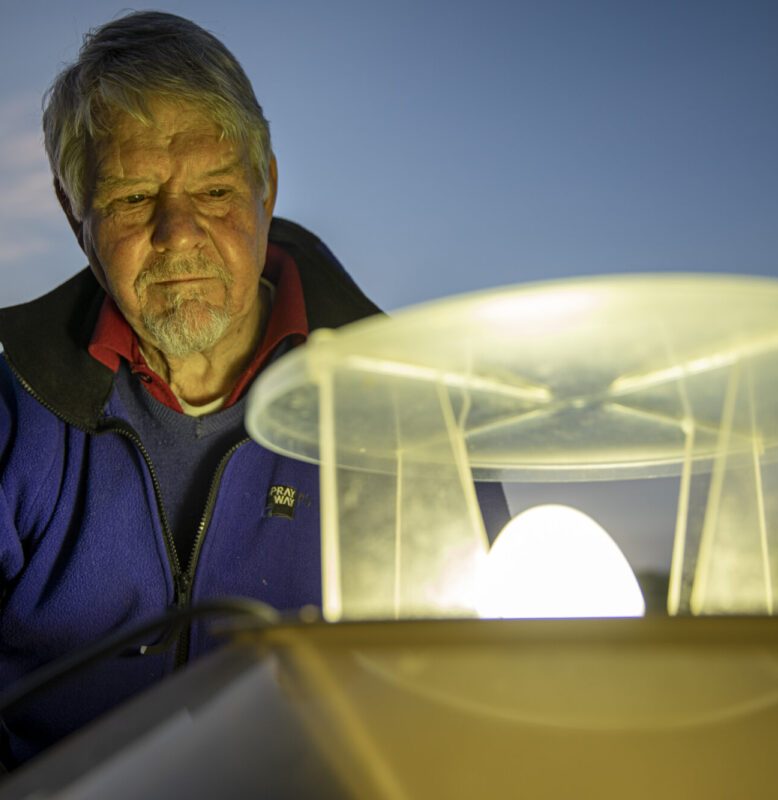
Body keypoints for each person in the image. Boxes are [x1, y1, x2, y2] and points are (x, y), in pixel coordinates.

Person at [0, 11, 508, 769]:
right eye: (134, 198)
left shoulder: (409, 408)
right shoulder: (15, 403)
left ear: (267, 183)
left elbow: (484, 696)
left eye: (213, 191)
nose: (178, 235)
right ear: (77, 212)